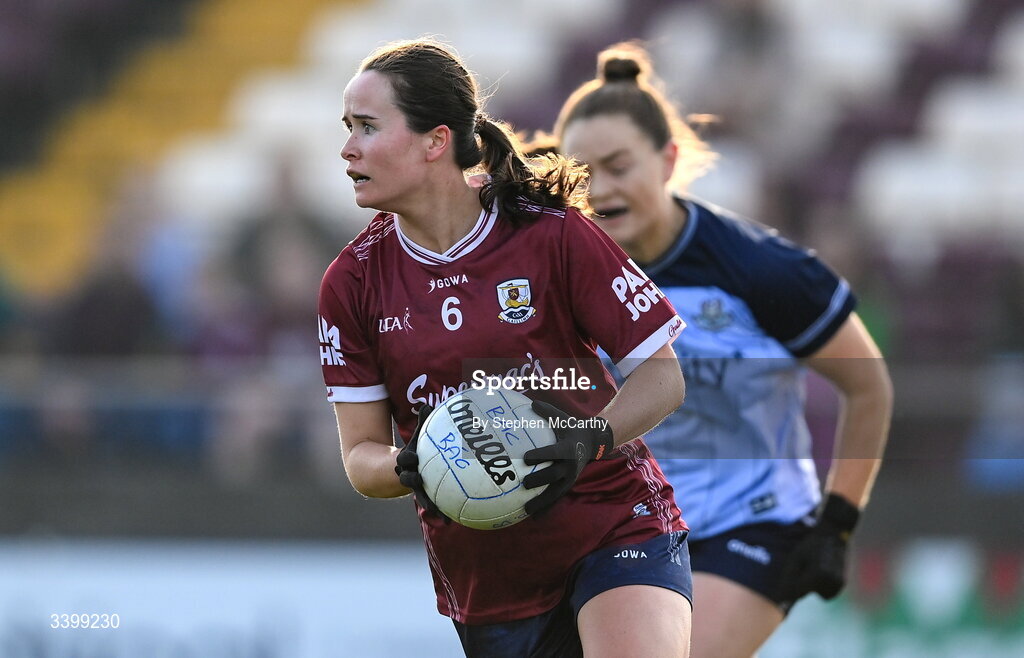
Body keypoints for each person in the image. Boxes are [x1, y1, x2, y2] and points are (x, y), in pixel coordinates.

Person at [318, 38, 694, 657]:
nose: (347, 148)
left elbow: (663, 378)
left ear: (435, 141)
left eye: (367, 127)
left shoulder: (551, 234)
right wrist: (409, 466)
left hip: (614, 522)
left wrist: (586, 439)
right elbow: (361, 457)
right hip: (490, 583)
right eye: (346, 127)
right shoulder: (351, 283)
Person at [548, 43, 894, 657]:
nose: (599, 189)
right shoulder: (552, 272)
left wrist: (838, 524)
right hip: (621, 527)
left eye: (619, 165)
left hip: (750, 522)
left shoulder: (758, 268)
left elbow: (868, 385)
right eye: (582, 171)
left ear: (668, 160)